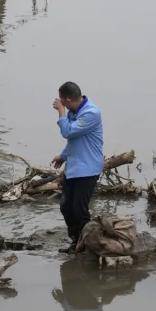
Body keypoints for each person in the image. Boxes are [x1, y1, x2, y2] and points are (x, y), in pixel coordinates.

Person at [51, 81, 103, 254]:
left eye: (62, 102)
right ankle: (76, 242)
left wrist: (61, 112)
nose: (60, 104)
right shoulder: (74, 112)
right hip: (74, 167)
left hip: (88, 168)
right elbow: (74, 139)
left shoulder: (91, 113)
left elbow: (68, 132)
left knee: (79, 209)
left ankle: (86, 245)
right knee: (66, 207)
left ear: (68, 100)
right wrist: (63, 156)